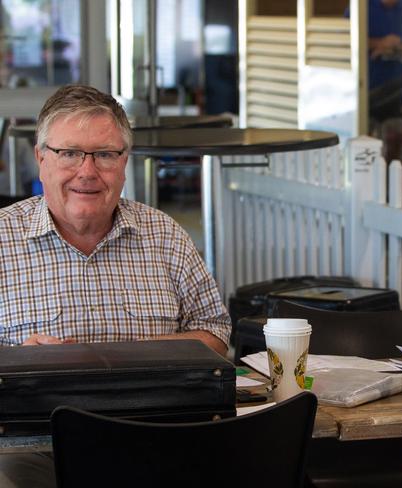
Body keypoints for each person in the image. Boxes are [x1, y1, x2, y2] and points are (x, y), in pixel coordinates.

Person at [0, 85, 231, 487]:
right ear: (41, 158)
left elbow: (216, 333)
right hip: (32, 450)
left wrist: (120, 354)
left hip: (161, 440)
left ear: (124, 162)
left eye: (105, 154)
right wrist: (18, 362)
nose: (87, 171)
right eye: (69, 153)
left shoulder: (165, 235)